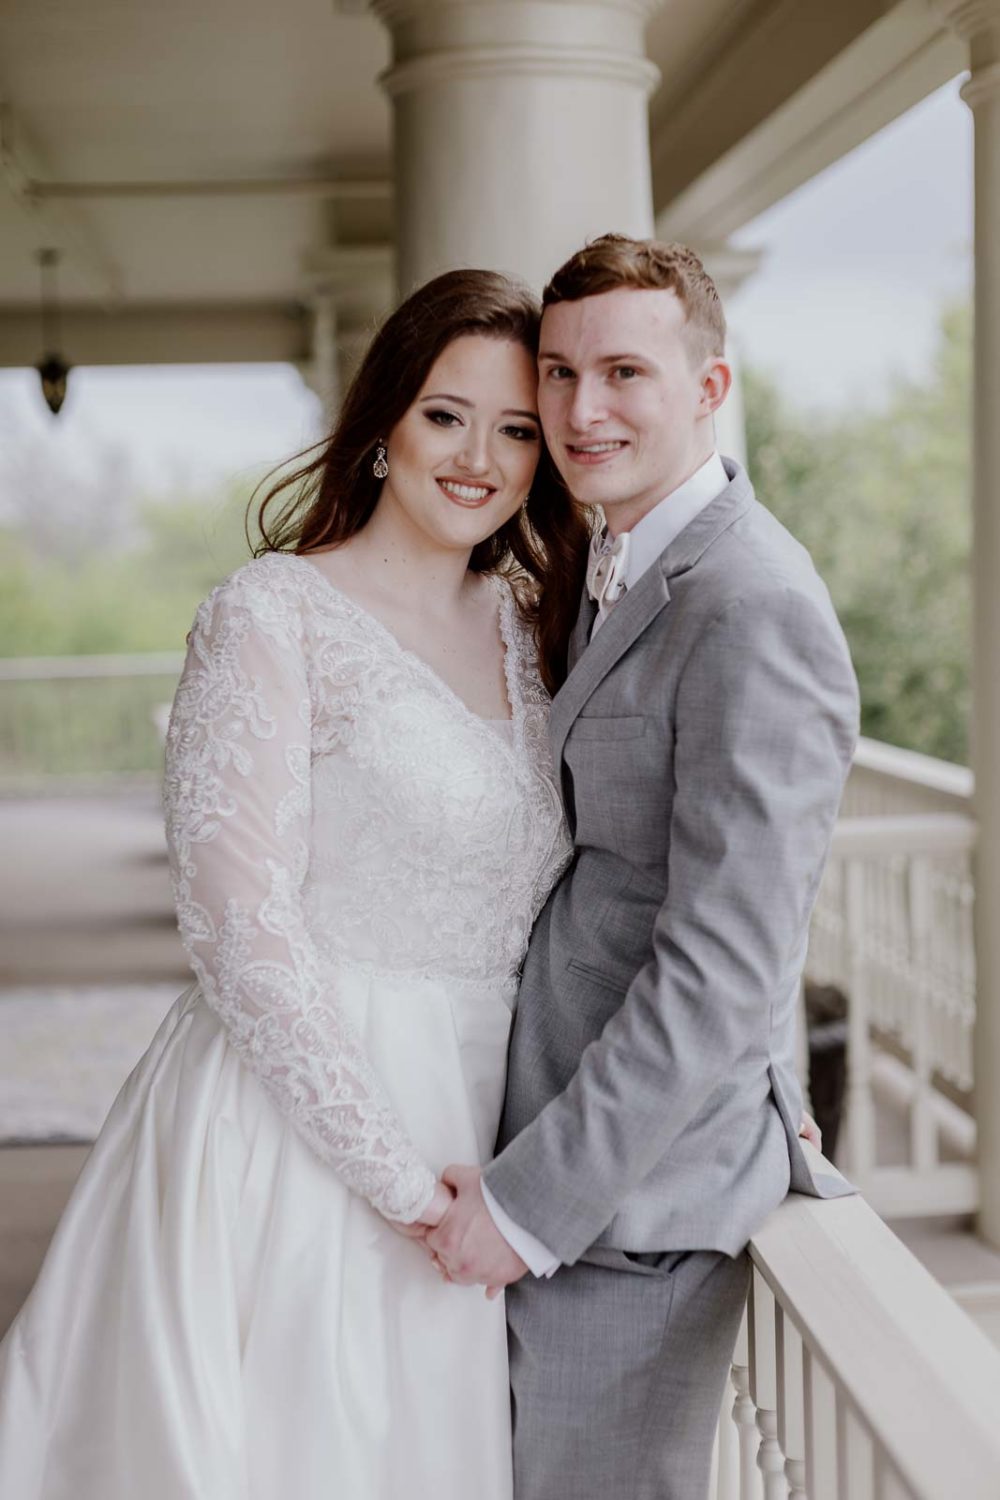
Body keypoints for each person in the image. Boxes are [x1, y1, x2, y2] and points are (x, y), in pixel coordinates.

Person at [0, 268, 588, 1499]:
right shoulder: (270, 615)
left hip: (492, 1123)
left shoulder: (528, 624)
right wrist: (399, 1183)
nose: (478, 455)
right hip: (306, 1124)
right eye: (445, 414)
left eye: (516, 427)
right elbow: (237, 927)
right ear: (381, 425)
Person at [424, 235, 860, 1500]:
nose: (579, 410)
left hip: (628, 1212)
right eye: (557, 374)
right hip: (554, 1145)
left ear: (709, 388)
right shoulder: (611, 560)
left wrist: (527, 1206)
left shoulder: (752, 599)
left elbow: (725, 956)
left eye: (623, 372)